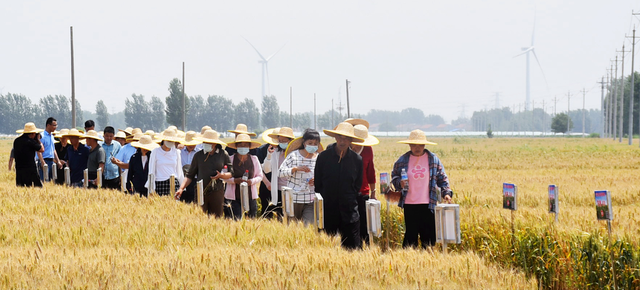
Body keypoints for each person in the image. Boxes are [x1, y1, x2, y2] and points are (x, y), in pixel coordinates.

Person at [391, 129, 453, 249]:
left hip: (428, 204)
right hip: (409, 204)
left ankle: (428, 264)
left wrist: (446, 193)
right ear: (409, 145)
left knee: (429, 240)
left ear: (424, 145)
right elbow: (394, 177)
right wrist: (400, 183)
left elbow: (442, 178)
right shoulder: (402, 160)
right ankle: (409, 264)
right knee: (410, 239)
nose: (417, 147)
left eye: (420, 145)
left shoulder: (433, 159)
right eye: (414, 145)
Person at [315, 122, 364, 250]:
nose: (343, 141)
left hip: (349, 212)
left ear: (351, 141)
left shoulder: (357, 160)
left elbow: (357, 185)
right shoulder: (323, 157)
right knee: (325, 249)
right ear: (335, 138)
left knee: (352, 250)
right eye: (340, 138)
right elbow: (318, 184)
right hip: (328, 211)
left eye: (347, 138)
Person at [176, 130, 232, 217]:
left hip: (217, 191)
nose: (206, 144)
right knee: (199, 216)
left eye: (209, 142)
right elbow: (190, 175)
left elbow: (231, 172)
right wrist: (181, 188)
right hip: (200, 190)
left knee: (217, 217)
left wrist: (222, 175)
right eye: (205, 142)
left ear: (214, 144)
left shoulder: (223, 154)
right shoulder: (198, 155)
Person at [278, 129, 323, 225]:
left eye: (315, 143)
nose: (312, 145)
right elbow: (280, 172)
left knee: (309, 227)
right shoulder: (293, 156)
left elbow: (325, 177)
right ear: (304, 142)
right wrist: (294, 169)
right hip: (294, 199)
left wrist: (317, 180)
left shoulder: (319, 158)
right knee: (292, 228)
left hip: (310, 200)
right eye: (310, 143)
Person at [346, 120, 379, 245]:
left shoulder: (368, 150)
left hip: (363, 192)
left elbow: (370, 172)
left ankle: (364, 248)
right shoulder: (343, 149)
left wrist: (373, 192)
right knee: (349, 223)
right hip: (346, 192)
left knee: (364, 223)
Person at [223, 134, 263, 220]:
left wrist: (251, 181)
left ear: (249, 147)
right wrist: (234, 180)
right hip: (233, 197)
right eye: (240, 145)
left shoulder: (254, 159)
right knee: (235, 220)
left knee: (251, 220)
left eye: (245, 145)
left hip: (250, 196)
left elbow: (260, 176)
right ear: (236, 146)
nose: (243, 147)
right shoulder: (230, 159)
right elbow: (223, 176)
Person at [262, 127, 295, 218]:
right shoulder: (275, 153)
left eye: (284, 140)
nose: (282, 143)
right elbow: (266, 169)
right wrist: (269, 156)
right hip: (279, 189)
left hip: (293, 189)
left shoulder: (296, 154)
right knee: (280, 215)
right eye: (280, 140)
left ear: (290, 140)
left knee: (291, 216)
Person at [145, 128, 184, 196]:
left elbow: (179, 171)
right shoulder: (155, 152)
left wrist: (181, 187)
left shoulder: (176, 152)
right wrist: (151, 188)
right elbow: (151, 171)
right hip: (160, 183)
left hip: (173, 182)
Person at [13, 122, 45, 187]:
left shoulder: (16, 141)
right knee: (37, 187)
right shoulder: (30, 141)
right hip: (30, 169)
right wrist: (38, 140)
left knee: (21, 188)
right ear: (33, 133)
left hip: (19, 170)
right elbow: (41, 149)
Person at [256, 128, 278, 218]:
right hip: (266, 184)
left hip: (281, 184)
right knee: (266, 211)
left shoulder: (286, 150)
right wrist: (267, 183)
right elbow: (259, 168)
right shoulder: (262, 150)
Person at [178, 131, 202, 203]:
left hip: (194, 180)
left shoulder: (200, 153)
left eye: (193, 143)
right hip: (182, 180)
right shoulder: (179, 152)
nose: (191, 145)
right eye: (189, 143)